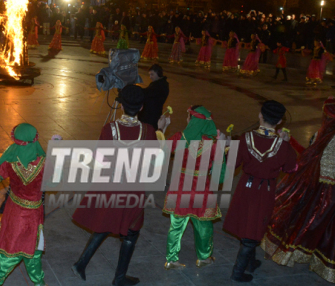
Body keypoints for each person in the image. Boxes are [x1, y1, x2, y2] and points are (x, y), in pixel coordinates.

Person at [72, 85, 157, 286]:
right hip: (133, 188)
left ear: (120, 105)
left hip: (110, 185)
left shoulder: (109, 128)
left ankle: (81, 264)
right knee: (131, 230)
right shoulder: (148, 130)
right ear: (142, 107)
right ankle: (119, 277)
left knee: (106, 223)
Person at [260, 97, 335, 284]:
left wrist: (289, 142)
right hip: (326, 189)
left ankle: (299, 252)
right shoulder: (322, 136)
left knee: (310, 218)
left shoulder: (322, 136)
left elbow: (306, 156)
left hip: (320, 188)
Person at [223, 101, 297, 282]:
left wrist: (226, 147)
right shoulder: (283, 144)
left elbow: (232, 163)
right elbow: (291, 168)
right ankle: (237, 272)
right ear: (279, 121)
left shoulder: (245, 138)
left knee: (250, 224)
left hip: (245, 188)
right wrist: (287, 144)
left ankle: (249, 263)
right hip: (266, 190)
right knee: (256, 225)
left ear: (260, 115)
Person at [161, 105, 225, 270]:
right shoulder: (213, 143)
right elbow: (222, 174)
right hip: (201, 191)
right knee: (203, 226)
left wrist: (163, 128)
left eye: (188, 117)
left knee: (176, 226)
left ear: (192, 120)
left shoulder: (180, 138)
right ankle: (203, 258)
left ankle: (171, 259)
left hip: (180, 188)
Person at [0, 123, 46, 286]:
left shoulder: (9, 160)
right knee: (27, 252)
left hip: (15, 212)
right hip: (33, 215)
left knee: (17, 252)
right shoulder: (45, 163)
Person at [138, 64, 169, 130]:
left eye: (152, 74)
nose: (150, 77)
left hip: (151, 117)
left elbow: (147, 92)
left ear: (158, 73)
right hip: (151, 115)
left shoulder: (160, 86)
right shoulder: (159, 83)